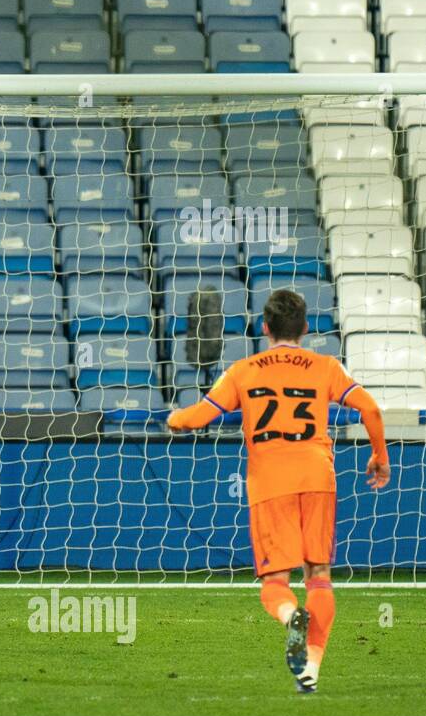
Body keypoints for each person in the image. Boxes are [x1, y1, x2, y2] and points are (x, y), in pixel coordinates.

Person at [167, 289, 389, 693]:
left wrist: (175, 418)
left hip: (270, 483)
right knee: (319, 577)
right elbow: (370, 409)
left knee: (275, 582)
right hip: (318, 477)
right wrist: (380, 456)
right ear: (305, 329)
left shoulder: (244, 370)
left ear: (265, 328)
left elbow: (199, 418)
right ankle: (312, 670)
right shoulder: (325, 366)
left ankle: (291, 618)